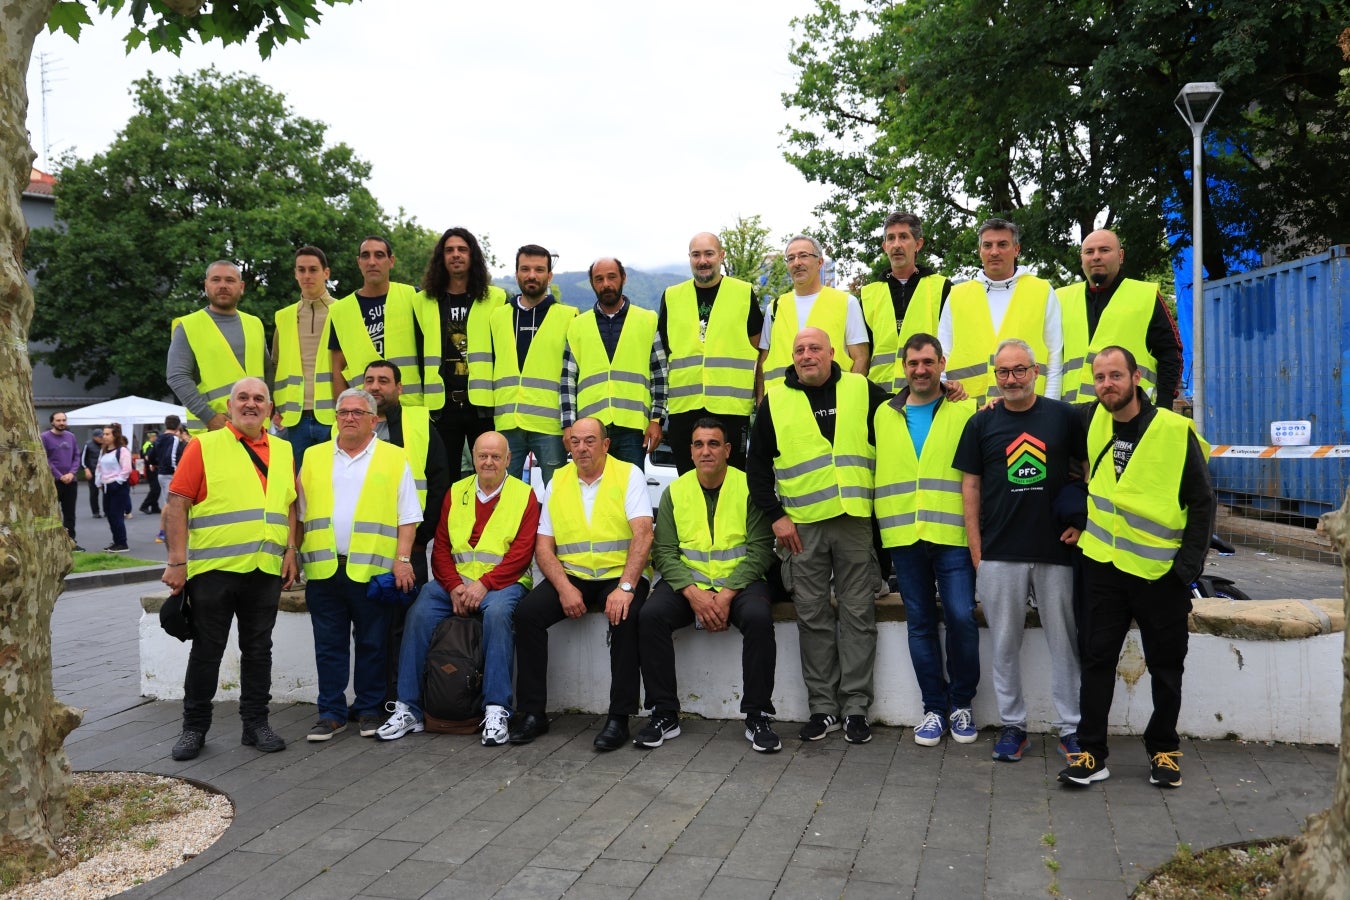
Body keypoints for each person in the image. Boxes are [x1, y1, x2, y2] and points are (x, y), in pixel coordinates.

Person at [1058, 347, 1213, 789]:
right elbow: (1044, 425)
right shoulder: (1090, 419)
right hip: (1102, 567)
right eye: (1100, 378)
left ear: (1137, 376)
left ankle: (1163, 749)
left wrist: (1186, 569)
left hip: (1159, 572)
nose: (1107, 385)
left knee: (1166, 666)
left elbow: (1202, 502)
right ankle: (1091, 753)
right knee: (1096, 660)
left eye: (1115, 376)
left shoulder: (1172, 429)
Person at [747, 327, 889, 744]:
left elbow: (909, 411)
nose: (807, 355)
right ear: (791, 357)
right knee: (812, 617)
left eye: (815, 348)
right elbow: (757, 469)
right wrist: (776, 517)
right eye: (799, 350)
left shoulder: (864, 389)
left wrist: (948, 390)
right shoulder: (775, 400)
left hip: (854, 520)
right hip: (800, 528)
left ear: (832, 353)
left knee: (859, 615)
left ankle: (857, 708)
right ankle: (824, 709)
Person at [954, 339, 1087, 762]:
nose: (1011, 379)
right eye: (1003, 372)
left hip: (1056, 552)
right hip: (999, 553)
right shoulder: (981, 424)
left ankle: (1072, 728)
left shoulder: (1064, 417)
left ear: (1035, 371)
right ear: (996, 376)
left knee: (1064, 643)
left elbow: (1088, 471)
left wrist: (1083, 523)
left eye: (1019, 370)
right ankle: (1014, 726)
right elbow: (970, 486)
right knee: (1004, 645)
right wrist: (977, 550)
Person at [161, 377, 298, 761]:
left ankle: (256, 724)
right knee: (208, 650)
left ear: (269, 408)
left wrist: (290, 550)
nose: (251, 404)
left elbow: (289, 504)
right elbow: (177, 503)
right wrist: (176, 562)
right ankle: (194, 728)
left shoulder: (285, 450)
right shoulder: (204, 445)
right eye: (243, 397)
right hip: (215, 569)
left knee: (259, 650)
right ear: (229, 404)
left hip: (265, 568)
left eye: (259, 398)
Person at [377, 432, 540, 746]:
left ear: (508, 460)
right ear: (474, 458)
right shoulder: (456, 491)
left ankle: (496, 709)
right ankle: (408, 708)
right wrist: (453, 587)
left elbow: (521, 552)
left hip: (503, 583)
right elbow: (440, 548)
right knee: (421, 610)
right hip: (455, 582)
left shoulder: (525, 495)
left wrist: (484, 585)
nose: (488, 462)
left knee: (499, 615)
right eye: (482, 456)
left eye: (496, 456)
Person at [509, 417, 653, 751]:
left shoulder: (628, 474)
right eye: (575, 441)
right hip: (573, 575)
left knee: (626, 616)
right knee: (527, 614)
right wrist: (563, 587)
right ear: (567, 445)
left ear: (605, 444)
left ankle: (619, 717)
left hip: (619, 574)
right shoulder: (557, 479)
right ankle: (533, 712)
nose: (582, 448)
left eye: (590, 441)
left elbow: (643, 534)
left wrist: (626, 588)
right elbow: (543, 547)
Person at [639, 417, 780, 751]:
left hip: (742, 583)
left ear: (728, 450)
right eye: (699, 444)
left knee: (760, 619)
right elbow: (665, 552)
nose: (706, 451)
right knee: (650, 616)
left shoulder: (749, 487)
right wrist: (694, 594)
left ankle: (757, 714)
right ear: (690, 450)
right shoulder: (677, 490)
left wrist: (727, 594)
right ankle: (664, 713)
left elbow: (761, 551)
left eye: (714, 444)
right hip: (690, 585)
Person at [874, 334, 980, 746]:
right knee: (919, 624)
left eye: (928, 362)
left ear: (942, 363)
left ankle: (962, 704)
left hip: (952, 532)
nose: (920, 370)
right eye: (913, 363)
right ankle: (934, 709)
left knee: (960, 616)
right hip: (903, 534)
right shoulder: (883, 413)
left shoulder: (965, 408)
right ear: (904, 366)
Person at [297, 388, 421, 742]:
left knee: (372, 643)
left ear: (374, 420)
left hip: (373, 569)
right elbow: (300, 513)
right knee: (329, 644)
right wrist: (292, 552)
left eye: (357, 412)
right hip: (324, 567)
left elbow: (408, 517)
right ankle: (331, 713)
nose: (349, 417)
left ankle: (368, 709)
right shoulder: (314, 456)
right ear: (335, 417)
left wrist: (402, 560)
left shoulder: (394, 458)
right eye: (343, 412)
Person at [657, 233, 763, 472]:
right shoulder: (672, 296)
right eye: (696, 254)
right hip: (684, 408)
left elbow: (760, 351)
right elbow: (663, 353)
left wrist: (760, 400)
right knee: (688, 483)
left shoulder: (743, 293)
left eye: (709, 254)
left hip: (731, 410)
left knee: (733, 482)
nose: (702, 260)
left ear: (721, 256)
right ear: (689, 258)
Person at [414, 227, 508, 480]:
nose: (456, 255)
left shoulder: (496, 298)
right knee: (444, 477)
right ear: (441, 258)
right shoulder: (422, 301)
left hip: (483, 406)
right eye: (449, 250)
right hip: (442, 406)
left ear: (472, 255)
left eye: (462, 249)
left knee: (490, 476)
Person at [939, 218, 1063, 403]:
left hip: (1028, 409)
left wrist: (1051, 407)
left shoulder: (1042, 290)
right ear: (980, 250)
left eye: (1002, 244)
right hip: (967, 410)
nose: (994, 252)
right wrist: (944, 392)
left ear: (1016, 249)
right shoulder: (956, 295)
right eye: (987, 245)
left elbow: (1054, 356)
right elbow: (943, 355)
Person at [561, 258, 667, 468]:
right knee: (590, 493)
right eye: (599, 279)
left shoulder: (647, 320)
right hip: (589, 433)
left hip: (632, 429)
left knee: (629, 493)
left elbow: (660, 374)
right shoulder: (577, 325)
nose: (606, 284)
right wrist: (568, 426)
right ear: (592, 283)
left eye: (611, 277)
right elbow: (567, 380)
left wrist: (656, 421)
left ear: (623, 278)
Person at [1057, 229, 1184, 405]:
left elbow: (1170, 353)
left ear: (1121, 255)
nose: (1096, 257)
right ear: (1082, 258)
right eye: (1089, 252)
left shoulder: (1144, 296)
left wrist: (1164, 404)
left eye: (1104, 250)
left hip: (1131, 414)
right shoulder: (1060, 299)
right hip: (1073, 416)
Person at [488, 244, 576, 485]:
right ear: (516, 273)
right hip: (506, 421)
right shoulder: (497, 317)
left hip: (550, 426)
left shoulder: (570, 317)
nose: (531, 275)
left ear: (549, 276)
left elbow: (574, 373)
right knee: (504, 495)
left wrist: (570, 422)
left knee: (556, 495)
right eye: (525, 269)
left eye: (539, 270)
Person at [361, 359, 452, 586]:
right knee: (367, 618)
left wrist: (422, 538)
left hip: (411, 544)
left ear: (399, 388)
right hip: (361, 546)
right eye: (369, 380)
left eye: (383, 381)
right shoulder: (344, 425)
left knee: (408, 616)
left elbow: (439, 482)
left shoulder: (419, 423)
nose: (375, 386)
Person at [166, 260, 271, 433]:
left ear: (241, 286)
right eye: (216, 280)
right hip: (211, 430)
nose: (223, 285)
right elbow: (177, 377)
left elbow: (267, 371)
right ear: (206, 286)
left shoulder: (255, 324)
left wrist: (267, 409)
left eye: (230, 280)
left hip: (256, 428)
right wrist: (209, 417)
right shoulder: (188, 326)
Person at [759, 235, 869, 393]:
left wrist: (848, 397)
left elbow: (861, 358)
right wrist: (763, 406)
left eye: (804, 256)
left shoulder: (846, 303)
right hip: (782, 407)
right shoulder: (775, 308)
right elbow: (763, 361)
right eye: (791, 258)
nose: (797, 263)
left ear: (820, 262)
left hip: (832, 404)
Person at [860, 213, 952, 392]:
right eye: (891, 238)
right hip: (879, 397)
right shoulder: (867, 295)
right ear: (884, 246)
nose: (896, 245)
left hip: (928, 394)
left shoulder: (942, 288)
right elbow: (862, 354)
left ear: (918, 244)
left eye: (903, 237)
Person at [327, 236, 422, 400]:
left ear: (391, 261)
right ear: (359, 262)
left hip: (411, 409)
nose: (372, 262)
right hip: (364, 411)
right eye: (365, 255)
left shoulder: (413, 297)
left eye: (379, 255)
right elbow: (337, 368)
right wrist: (346, 410)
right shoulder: (341, 310)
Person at [273, 245, 338, 467]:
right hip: (293, 419)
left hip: (334, 415)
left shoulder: (344, 311)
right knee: (298, 489)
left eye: (313, 269)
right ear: (295, 274)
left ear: (326, 273)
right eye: (301, 270)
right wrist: (275, 408)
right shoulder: (283, 317)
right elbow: (276, 364)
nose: (307, 275)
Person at [42, 411, 82, 550]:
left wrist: (71, 473)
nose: (61, 423)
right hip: (53, 482)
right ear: (52, 422)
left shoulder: (71, 437)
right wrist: (59, 476)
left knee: (70, 514)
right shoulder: (45, 437)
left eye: (64, 420)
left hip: (71, 482)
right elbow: (45, 459)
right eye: (58, 420)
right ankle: (51, 544)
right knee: (51, 513)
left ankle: (71, 542)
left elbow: (76, 456)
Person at [94, 422, 133, 552]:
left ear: (115, 435)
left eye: (107, 434)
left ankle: (122, 543)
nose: (104, 436)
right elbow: (99, 468)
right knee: (110, 515)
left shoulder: (122, 450)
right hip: (106, 487)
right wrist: (98, 483)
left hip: (118, 486)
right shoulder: (104, 451)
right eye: (103, 434)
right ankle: (116, 541)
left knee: (117, 516)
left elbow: (126, 469)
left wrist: (117, 482)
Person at [152, 415, 187, 544]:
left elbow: (151, 455)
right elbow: (171, 456)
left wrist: (154, 464)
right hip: (171, 473)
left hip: (162, 473)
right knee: (171, 504)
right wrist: (176, 471)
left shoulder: (159, 438)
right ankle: (163, 532)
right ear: (178, 426)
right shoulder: (174, 439)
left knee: (170, 503)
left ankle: (172, 531)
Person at [82, 427, 104, 519]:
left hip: (103, 472)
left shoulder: (105, 444)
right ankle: (95, 512)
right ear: (94, 437)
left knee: (106, 492)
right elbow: (82, 459)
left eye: (102, 436)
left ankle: (107, 510)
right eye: (99, 437)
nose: (101, 438)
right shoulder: (88, 444)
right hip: (92, 471)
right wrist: (86, 469)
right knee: (94, 493)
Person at [139, 429, 161, 514]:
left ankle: (154, 506)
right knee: (155, 489)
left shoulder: (152, 444)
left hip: (154, 468)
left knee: (156, 488)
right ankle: (144, 506)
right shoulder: (148, 445)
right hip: (151, 469)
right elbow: (147, 457)